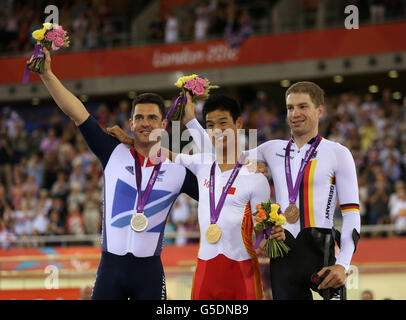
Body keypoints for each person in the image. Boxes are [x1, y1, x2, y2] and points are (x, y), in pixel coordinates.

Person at [31, 47, 199, 300]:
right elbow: (76, 112)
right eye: (139, 117)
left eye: (152, 118)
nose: (145, 123)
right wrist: (47, 75)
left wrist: (250, 165)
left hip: (150, 273)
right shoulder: (112, 152)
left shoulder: (178, 169)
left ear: (163, 125)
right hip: (110, 269)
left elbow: (215, 181)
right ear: (131, 123)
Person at [181, 82, 361, 300]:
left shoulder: (338, 153)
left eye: (303, 106)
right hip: (283, 253)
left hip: (321, 252)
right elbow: (220, 148)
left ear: (320, 110)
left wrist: (343, 264)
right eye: (290, 108)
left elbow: (351, 214)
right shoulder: (271, 149)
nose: (295, 113)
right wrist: (190, 119)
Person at [108, 94, 285, 300]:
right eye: (210, 125)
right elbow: (160, 153)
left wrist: (270, 239)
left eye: (223, 123)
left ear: (238, 123)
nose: (217, 130)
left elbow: (262, 235)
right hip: (205, 271)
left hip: (242, 271)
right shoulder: (202, 163)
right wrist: (130, 140)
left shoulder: (256, 177)